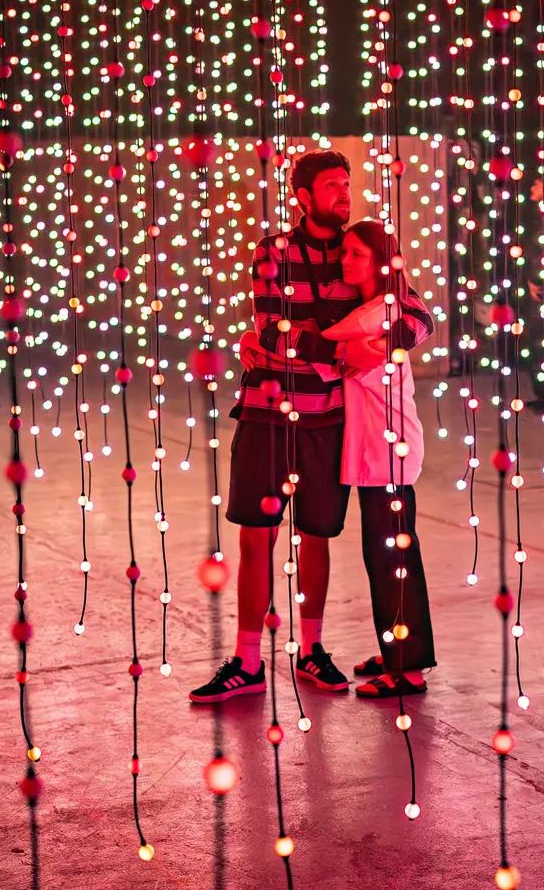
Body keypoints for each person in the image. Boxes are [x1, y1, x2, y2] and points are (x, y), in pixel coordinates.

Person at [190, 149, 358, 703]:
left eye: (347, 184)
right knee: (256, 538)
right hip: (266, 419)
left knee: (317, 536)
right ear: (303, 197)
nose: (344, 193)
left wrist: (308, 338)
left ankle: (311, 651)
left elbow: (391, 325)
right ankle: (246, 661)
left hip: (328, 423)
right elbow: (271, 332)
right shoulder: (274, 251)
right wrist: (334, 341)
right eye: (332, 185)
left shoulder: (364, 252)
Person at [318, 220, 438, 697]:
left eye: (354, 254)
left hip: (387, 452)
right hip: (380, 453)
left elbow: (332, 338)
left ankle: (407, 670)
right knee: (388, 558)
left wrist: (348, 347)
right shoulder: (377, 310)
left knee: (392, 562)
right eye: (344, 252)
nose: (344, 261)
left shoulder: (377, 314)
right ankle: (398, 650)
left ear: (379, 261)